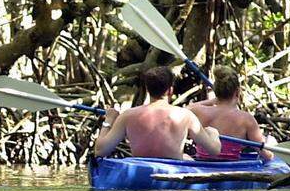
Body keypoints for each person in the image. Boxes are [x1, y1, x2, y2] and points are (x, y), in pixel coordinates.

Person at [94, 66, 223, 160]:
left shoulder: (127, 115)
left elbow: (100, 151)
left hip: (141, 171)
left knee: (186, 158)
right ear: (170, 90)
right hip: (173, 175)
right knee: (187, 158)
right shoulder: (185, 116)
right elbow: (214, 150)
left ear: (147, 90)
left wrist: (109, 121)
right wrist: (213, 134)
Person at [188, 66, 273, 161]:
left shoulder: (197, 111)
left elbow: (189, 107)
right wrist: (271, 145)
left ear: (216, 91)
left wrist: (212, 101)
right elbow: (267, 155)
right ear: (237, 92)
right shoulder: (246, 119)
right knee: (271, 140)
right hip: (230, 167)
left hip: (202, 164)